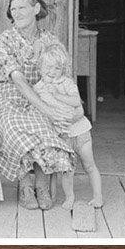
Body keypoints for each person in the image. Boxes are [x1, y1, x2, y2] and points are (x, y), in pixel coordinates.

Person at [0, 0, 75, 210]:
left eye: (22, 7)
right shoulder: (4, 40)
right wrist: (49, 111)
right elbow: (17, 80)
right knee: (11, 124)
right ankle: (25, 186)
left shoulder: (50, 41)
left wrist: (60, 106)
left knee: (44, 127)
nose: (16, 13)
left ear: (36, 8)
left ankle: (42, 186)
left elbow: (61, 78)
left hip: (43, 94)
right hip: (10, 95)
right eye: (13, 8)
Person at [34, 44, 104, 210]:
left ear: (62, 70)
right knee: (67, 170)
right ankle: (70, 197)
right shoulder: (38, 88)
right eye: (48, 67)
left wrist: (57, 94)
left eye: (57, 68)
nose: (52, 72)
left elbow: (76, 102)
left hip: (80, 131)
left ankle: (98, 196)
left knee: (89, 165)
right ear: (40, 67)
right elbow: (37, 107)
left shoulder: (66, 83)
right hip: (63, 136)